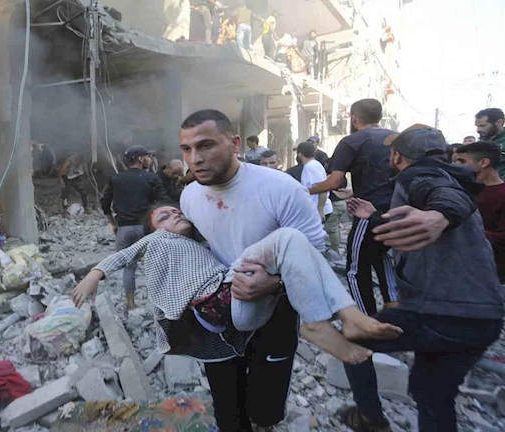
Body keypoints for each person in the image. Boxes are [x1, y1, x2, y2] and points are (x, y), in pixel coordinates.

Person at [72, 205, 401, 362]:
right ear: (156, 230)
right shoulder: (159, 240)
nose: (174, 214)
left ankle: (335, 319)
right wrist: (93, 275)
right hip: (221, 301)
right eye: (164, 217)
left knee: (296, 247)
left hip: (245, 310)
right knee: (287, 238)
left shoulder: (205, 242)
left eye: (175, 210)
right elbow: (124, 255)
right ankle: (338, 319)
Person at [342, 124, 504, 432]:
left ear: (396, 156)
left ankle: (369, 418)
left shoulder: (419, 176)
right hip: (485, 317)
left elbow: (444, 197)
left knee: (350, 339)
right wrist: (374, 216)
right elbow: (425, 216)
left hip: (440, 314)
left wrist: (440, 215)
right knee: (432, 392)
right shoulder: (452, 178)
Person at [178, 109, 325, 430]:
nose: (195, 159)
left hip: (275, 310)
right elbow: (197, 247)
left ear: (234, 144)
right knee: (227, 408)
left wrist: (275, 283)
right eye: (186, 149)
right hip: (218, 312)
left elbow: (316, 251)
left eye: (205, 145)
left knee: (264, 411)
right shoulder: (189, 196)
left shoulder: (280, 189)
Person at [308, 98, 398, 316]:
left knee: (356, 269)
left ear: (354, 118)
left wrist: (303, 190)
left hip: (366, 211)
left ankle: (366, 319)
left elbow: (335, 182)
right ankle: (394, 310)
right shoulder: (396, 138)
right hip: (396, 210)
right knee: (383, 258)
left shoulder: (352, 141)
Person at [100, 145, 169, 309]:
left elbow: (104, 204)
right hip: (147, 229)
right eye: (148, 156)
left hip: (124, 229)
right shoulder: (151, 178)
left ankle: (131, 304)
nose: (150, 159)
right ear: (140, 158)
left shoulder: (115, 178)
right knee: (155, 264)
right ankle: (161, 303)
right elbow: (163, 201)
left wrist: (113, 224)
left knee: (129, 268)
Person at [454, 141, 505, 284]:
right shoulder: (458, 188)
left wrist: (468, 232)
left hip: (487, 275)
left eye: (462, 161)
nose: (456, 165)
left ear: (484, 163)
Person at [297, 141, 333, 223]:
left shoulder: (311, 166)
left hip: (318, 210)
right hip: (315, 209)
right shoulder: (313, 165)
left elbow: (323, 188)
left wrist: (320, 209)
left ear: (300, 154)